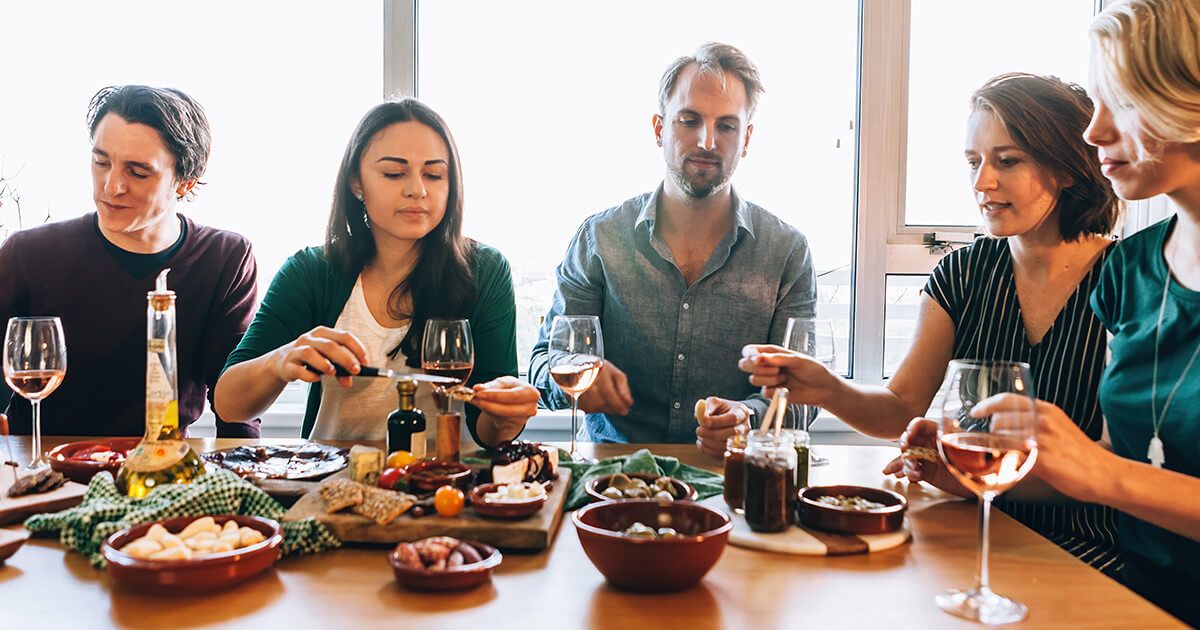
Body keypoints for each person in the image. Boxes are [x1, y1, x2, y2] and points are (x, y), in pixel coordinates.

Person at [741, 73, 1124, 573]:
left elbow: (1113, 464)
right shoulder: (962, 272)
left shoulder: (1128, 279)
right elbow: (902, 407)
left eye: (1007, 161)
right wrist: (828, 389)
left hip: (1086, 549)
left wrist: (960, 475)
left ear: (1069, 167)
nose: (982, 182)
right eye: (973, 163)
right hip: (970, 531)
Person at [954, 1, 1200, 624]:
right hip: (1131, 600)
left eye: (1119, 99)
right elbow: (1119, 463)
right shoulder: (1130, 272)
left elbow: (1109, 475)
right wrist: (974, 472)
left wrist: (1099, 472)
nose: (1092, 133)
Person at [528, 42, 816, 454]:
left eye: (727, 126)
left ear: (747, 138)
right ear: (660, 128)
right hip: (611, 482)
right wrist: (574, 372)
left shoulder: (787, 252)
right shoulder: (600, 239)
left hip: (733, 480)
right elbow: (542, 359)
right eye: (689, 120)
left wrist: (747, 415)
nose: (708, 141)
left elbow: (804, 393)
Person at [215, 99, 538, 448]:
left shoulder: (484, 270)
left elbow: (487, 431)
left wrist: (507, 417)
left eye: (434, 174)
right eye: (394, 173)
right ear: (356, 183)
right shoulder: (311, 272)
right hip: (332, 486)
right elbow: (230, 405)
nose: (418, 189)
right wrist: (280, 360)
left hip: (450, 487)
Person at [0, 85, 259, 438]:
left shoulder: (225, 259)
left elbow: (236, 409)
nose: (110, 187)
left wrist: (244, 485)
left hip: (161, 472)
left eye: (137, 172)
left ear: (185, 182)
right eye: (101, 162)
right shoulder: (27, 256)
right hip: (45, 474)